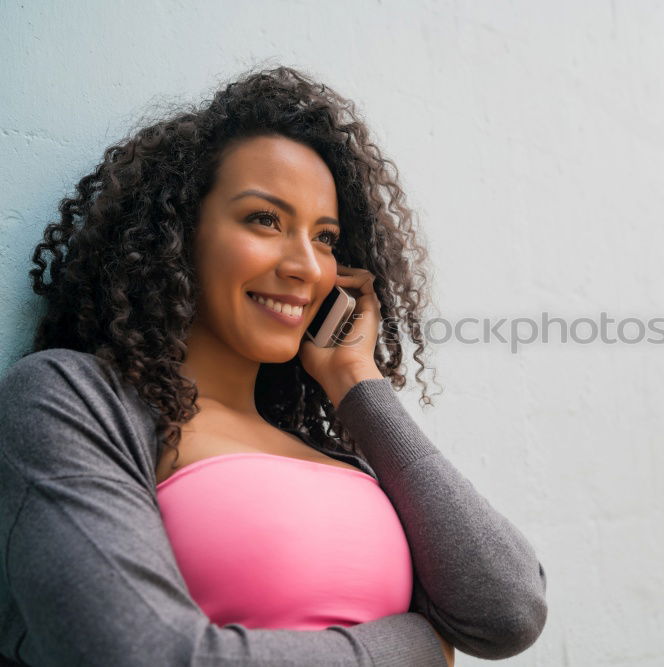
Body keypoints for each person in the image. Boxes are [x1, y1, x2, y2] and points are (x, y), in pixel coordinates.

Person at [0, 66, 547, 666]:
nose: (308, 268)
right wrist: (413, 649)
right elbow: (141, 654)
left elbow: (508, 611)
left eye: (326, 237)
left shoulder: (334, 449)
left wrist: (355, 382)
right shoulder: (69, 400)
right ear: (180, 231)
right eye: (265, 220)